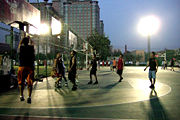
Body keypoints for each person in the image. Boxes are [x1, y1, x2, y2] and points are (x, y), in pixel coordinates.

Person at [17, 37, 35, 103]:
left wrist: (21, 40)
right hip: (30, 67)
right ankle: (29, 96)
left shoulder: (21, 48)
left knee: (21, 82)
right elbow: (33, 43)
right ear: (28, 42)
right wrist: (30, 38)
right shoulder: (31, 47)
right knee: (30, 82)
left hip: (22, 66)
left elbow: (19, 45)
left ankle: (21, 95)